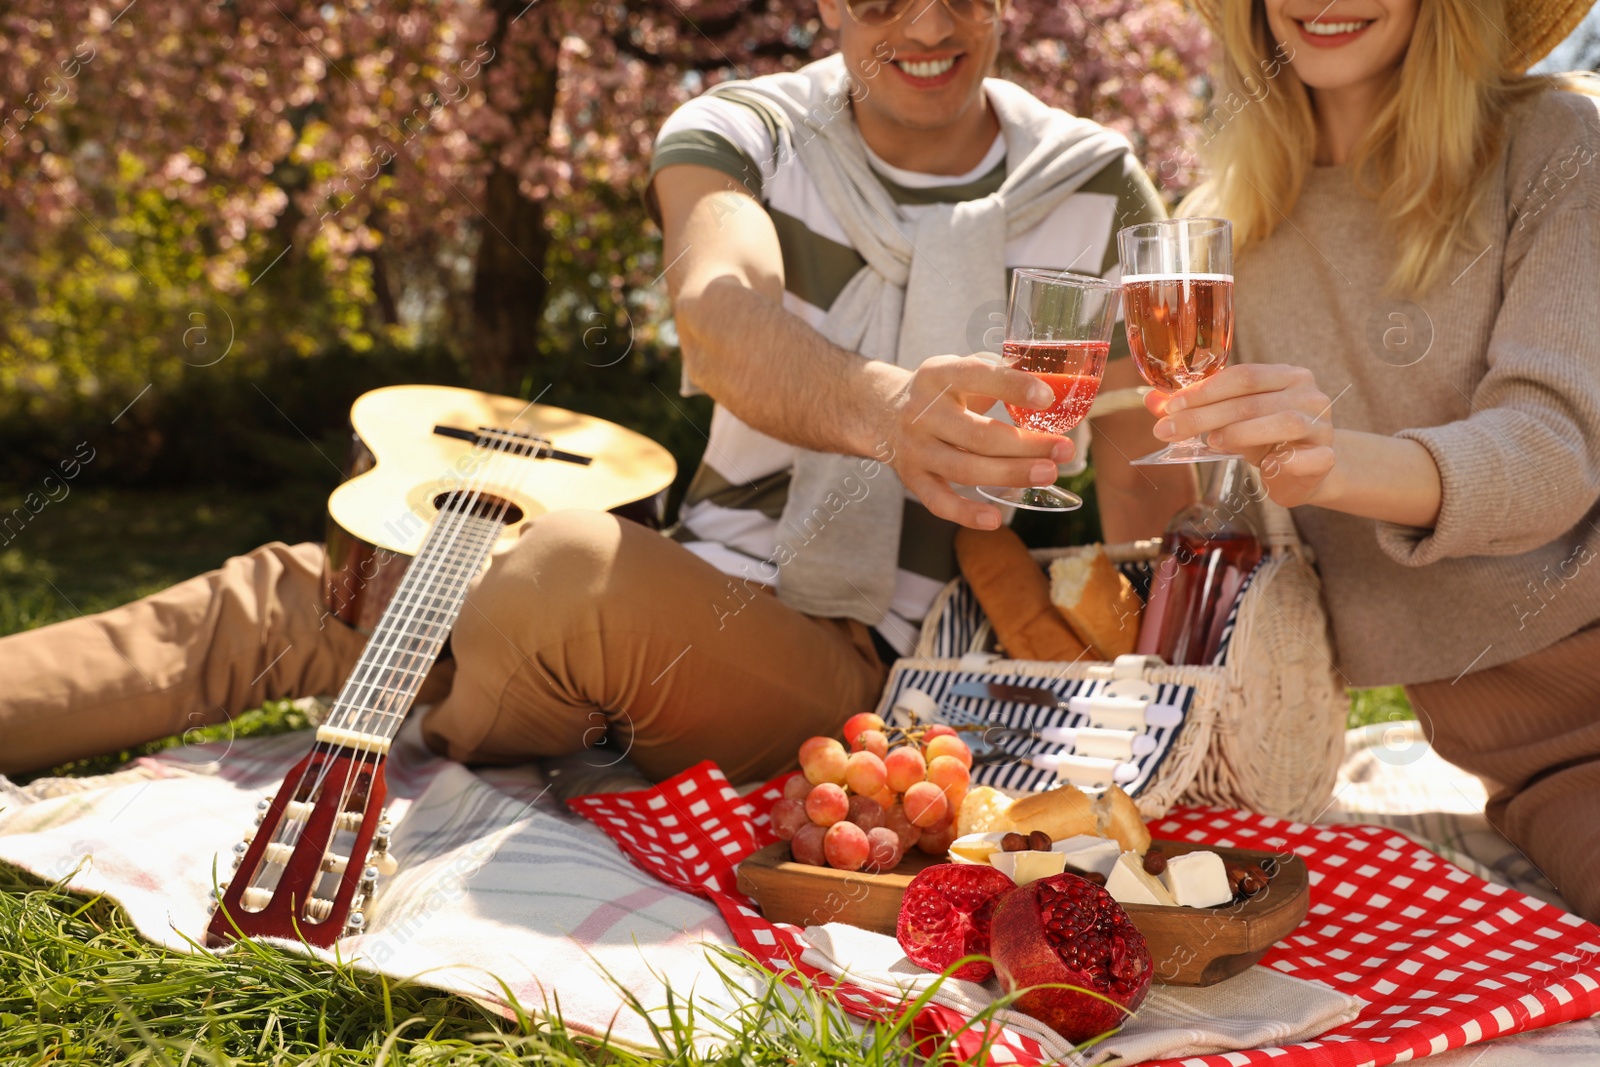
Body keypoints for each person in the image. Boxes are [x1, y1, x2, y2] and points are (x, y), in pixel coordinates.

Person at [0, 0, 1191, 787]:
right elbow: (723, 310)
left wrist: (1176, 689)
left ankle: (478, 692)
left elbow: (1139, 463)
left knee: (556, 571)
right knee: (317, 587)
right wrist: (885, 410)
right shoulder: (743, 128)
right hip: (699, 592)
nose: (926, 26)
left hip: (891, 670)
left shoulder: (1092, 185)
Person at [1160, 0, 1600, 919]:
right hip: (1542, 762)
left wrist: (1333, 461)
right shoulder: (1215, 238)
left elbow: (1554, 450)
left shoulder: (1557, 141)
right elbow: (1223, 543)